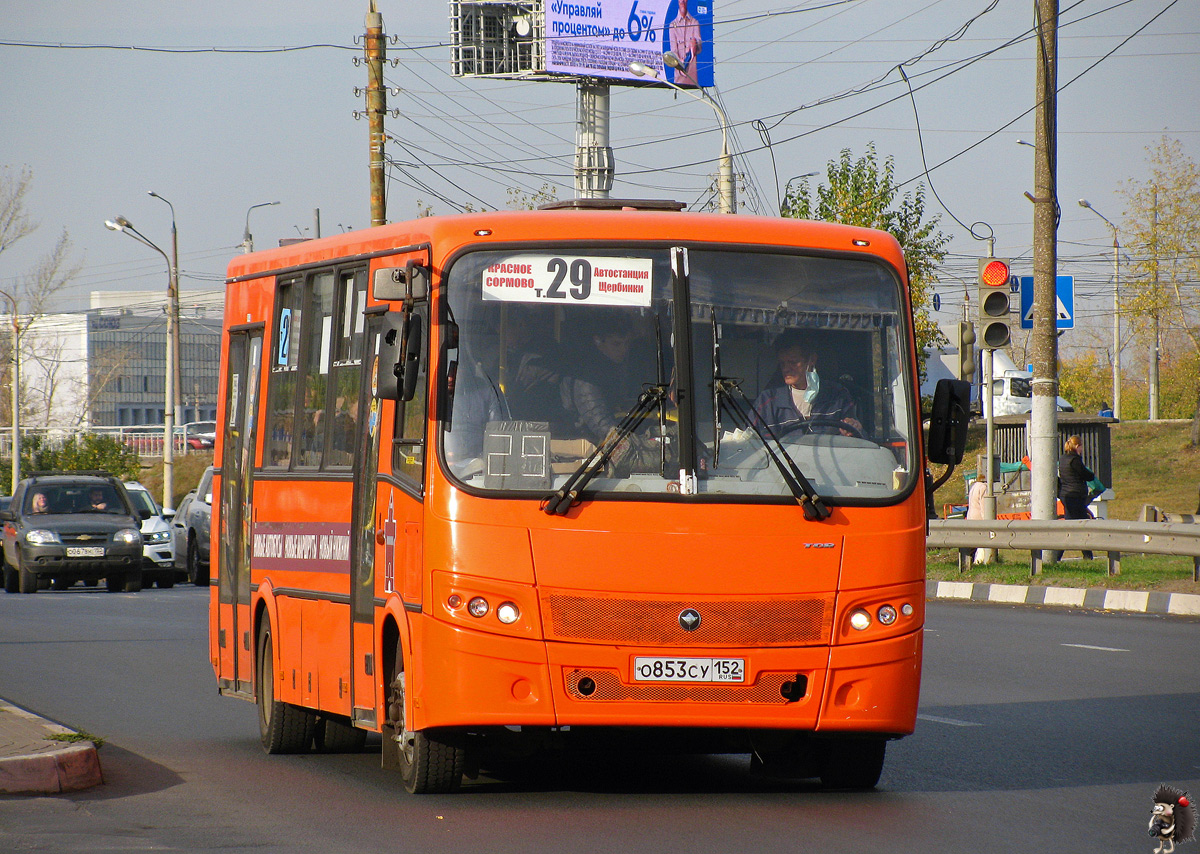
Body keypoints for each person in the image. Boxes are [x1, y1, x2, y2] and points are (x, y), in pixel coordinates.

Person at [751, 329, 862, 438]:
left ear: (812, 360)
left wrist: (852, 427)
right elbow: (746, 440)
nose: (786, 369)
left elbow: (859, 438)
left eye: (793, 362)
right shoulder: (767, 401)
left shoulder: (838, 395)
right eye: (782, 363)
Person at [1047, 434, 1095, 563]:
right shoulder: (1075, 460)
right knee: (1077, 525)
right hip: (1076, 496)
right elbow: (1086, 475)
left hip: (1066, 495)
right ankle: (1057, 556)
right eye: (1081, 447)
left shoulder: (1063, 459)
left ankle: (1087, 555)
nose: (1082, 450)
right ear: (1078, 446)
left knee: (1077, 524)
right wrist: (1091, 474)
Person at [667, 0, 703, 86]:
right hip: (679, 73)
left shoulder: (694, 22)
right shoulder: (673, 25)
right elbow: (673, 49)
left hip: (692, 72)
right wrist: (679, 60)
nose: (682, 1)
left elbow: (699, 47)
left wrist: (693, 44)